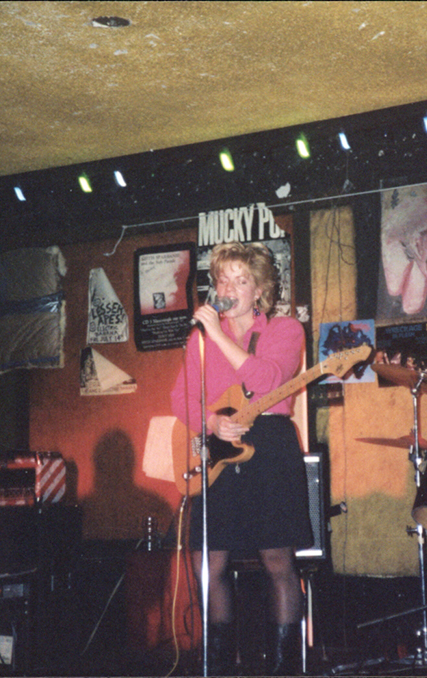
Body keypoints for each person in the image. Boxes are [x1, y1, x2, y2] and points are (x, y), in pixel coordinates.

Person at [170, 242, 311, 675]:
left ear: (260, 290)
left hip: (269, 445)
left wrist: (217, 335)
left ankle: (286, 667)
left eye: (240, 280)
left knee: (277, 560)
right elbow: (181, 399)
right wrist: (210, 422)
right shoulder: (200, 342)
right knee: (206, 560)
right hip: (220, 450)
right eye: (222, 279)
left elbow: (268, 380)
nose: (227, 287)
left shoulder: (285, 329)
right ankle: (217, 666)